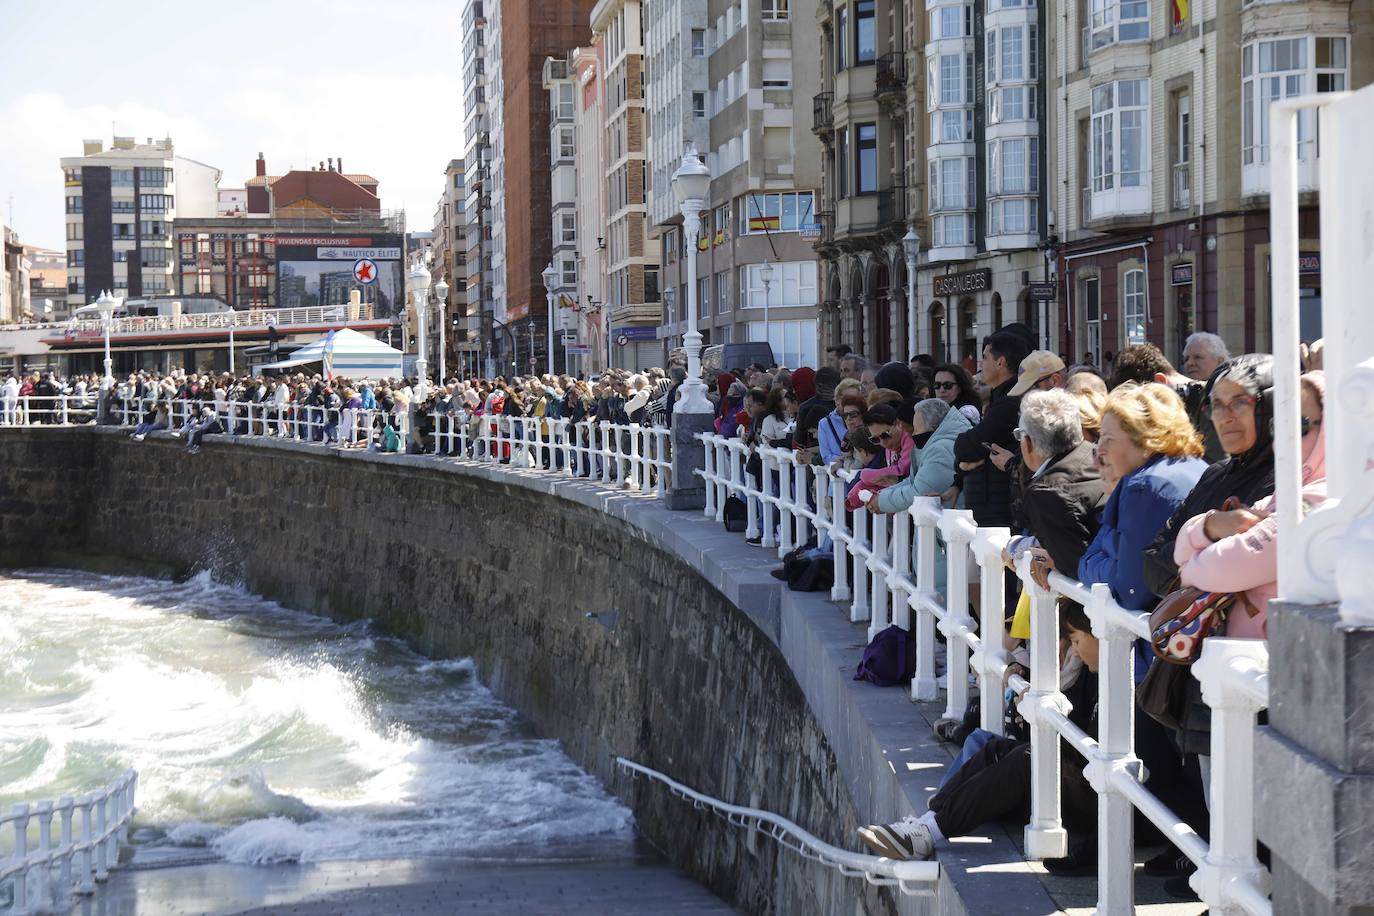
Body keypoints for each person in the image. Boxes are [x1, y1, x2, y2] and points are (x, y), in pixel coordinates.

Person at [857, 603, 1102, 864]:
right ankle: (928, 820)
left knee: (1025, 759)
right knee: (992, 748)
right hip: (1084, 782)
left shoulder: (1111, 679)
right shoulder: (1094, 673)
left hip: (1096, 799)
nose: (1074, 650)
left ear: (1098, 634)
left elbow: (1081, 749)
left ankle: (930, 832)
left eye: (1076, 640)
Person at [1172, 370, 1327, 639]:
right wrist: (1208, 526)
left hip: (1272, 669)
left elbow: (1222, 568)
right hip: (1245, 665)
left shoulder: (1323, 498)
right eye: (1279, 427)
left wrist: (1192, 559)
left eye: (1299, 426)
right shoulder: (1284, 493)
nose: (1285, 440)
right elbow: (1165, 554)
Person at [1078, 383, 1208, 613]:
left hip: (1163, 638)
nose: (1100, 449)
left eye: (1108, 438)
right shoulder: (1196, 466)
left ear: (1145, 440)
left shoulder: (1145, 486)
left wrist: (1092, 565)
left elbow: (1131, 592)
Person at [951, 331, 1027, 527]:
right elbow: (969, 450)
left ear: (1000, 362)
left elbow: (965, 446)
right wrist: (964, 464)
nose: (980, 364)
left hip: (1000, 513)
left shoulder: (1008, 403)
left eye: (985, 357)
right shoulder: (1000, 399)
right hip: (992, 509)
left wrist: (973, 457)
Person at [870, 398, 972, 514]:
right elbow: (915, 480)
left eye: (917, 429)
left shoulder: (940, 449)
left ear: (932, 428)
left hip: (949, 527)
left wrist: (881, 502)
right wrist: (882, 495)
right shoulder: (946, 442)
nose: (913, 435)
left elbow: (919, 493)